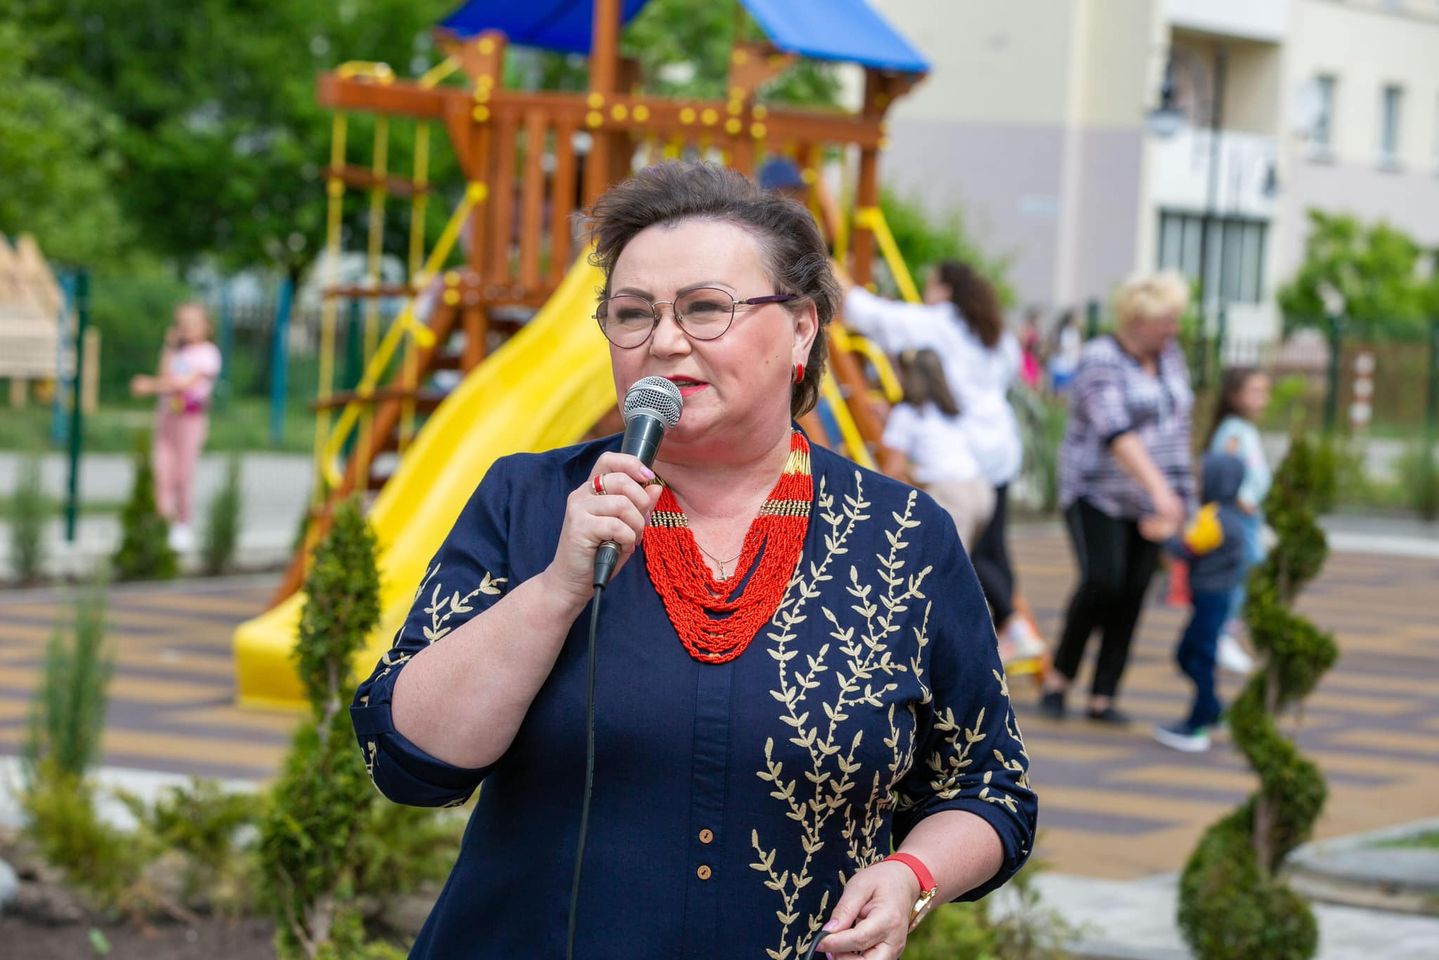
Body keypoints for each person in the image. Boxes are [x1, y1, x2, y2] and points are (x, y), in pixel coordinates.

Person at [350, 162, 1036, 960]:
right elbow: (408, 761)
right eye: (631, 313)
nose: (664, 341)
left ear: (801, 329)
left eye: (706, 308)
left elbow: (986, 786)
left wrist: (913, 875)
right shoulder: (529, 500)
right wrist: (555, 589)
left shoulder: (903, 536)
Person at [843, 263, 1044, 659]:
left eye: (930, 287)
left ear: (947, 291)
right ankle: (1008, 626)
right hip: (996, 453)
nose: (924, 295)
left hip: (967, 457)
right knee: (991, 549)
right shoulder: (995, 333)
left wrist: (841, 283)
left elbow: (878, 317)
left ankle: (984, 634)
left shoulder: (942, 323)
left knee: (962, 561)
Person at [1039, 271, 1193, 725]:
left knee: (1134, 590)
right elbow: (1115, 431)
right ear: (1138, 320)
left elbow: (1179, 429)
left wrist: (1181, 496)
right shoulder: (1100, 358)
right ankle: (1059, 678)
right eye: (1166, 320)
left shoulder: (1170, 358)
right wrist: (1159, 489)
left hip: (1150, 500)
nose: (1173, 329)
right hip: (1096, 492)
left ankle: (1103, 695)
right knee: (1102, 581)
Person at [1152, 453, 1248, 752]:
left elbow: (1188, 548)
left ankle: (1198, 722)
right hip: (1213, 598)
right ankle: (1212, 708)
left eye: (1203, 477)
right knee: (1188, 655)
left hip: (1211, 598)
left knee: (1199, 657)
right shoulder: (1228, 515)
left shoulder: (1216, 518)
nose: (1198, 484)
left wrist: (1163, 535)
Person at [879, 348, 995, 551]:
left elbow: (893, 471)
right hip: (980, 489)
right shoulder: (950, 411)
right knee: (963, 557)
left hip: (950, 492)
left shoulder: (907, 413)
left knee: (949, 563)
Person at [129, 301, 222, 551]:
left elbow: (183, 383)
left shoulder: (208, 353)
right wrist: (169, 346)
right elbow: (166, 375)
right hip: (167, 416)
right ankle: (163, 521)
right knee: (162, 470)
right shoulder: (180, 353)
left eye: (192, 323)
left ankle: (182, 523)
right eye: (182, 323)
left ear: (206, 326)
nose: (186, 328)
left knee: (183, 473)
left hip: (190, 419)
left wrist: (149, 386)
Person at [1207, 367, 1272, 675]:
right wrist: (1239, 497)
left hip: (1249, 515)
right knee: (1241, 573)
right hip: (1238, 515)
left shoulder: (1244, 429)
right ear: (1234, 396)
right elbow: (1224, 467)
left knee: (1250, 571)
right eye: (1254, 392)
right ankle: (1223, 634)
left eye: (1264, 392)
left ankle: (1228, 631)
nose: (1262, 399)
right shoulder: (1233, 430)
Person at [1047, 309, 1082, 395]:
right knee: (1060, 392)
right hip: (1062, 366)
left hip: (1071, 366)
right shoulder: (1064, 332)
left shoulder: (1074, 332)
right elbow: (1062, 348)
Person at [1018, 307, 1043, 391]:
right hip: (1026, 358)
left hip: (1033, 358)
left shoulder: (1036, 330)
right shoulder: (1026, 330)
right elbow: (1022, 343)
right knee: (1027, 382)